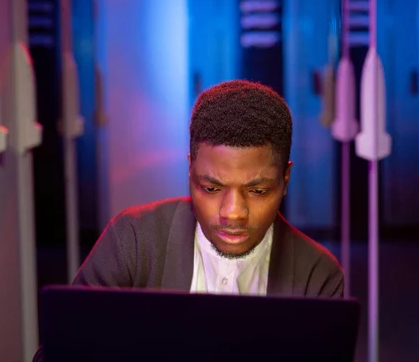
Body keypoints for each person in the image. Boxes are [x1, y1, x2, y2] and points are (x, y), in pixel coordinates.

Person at [70, 79, 344, 297]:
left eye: (258, 191)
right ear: (190, 171)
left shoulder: (317, 275)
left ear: (285, 179)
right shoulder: (134, 241)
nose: (233, 213)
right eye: (212, 188)